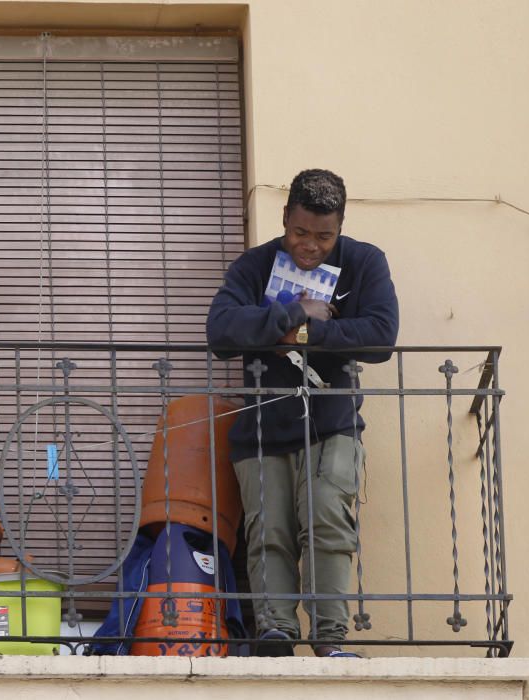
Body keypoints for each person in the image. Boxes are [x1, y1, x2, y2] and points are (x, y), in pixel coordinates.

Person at [205, 169, 399, 657]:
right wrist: (294, 312)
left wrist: (307, 337)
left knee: (327, 521)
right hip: (262, 429)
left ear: (340, 227)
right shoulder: (253, 266)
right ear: (284, 218)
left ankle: (330, 641)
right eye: (299, 233)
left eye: (323, 236)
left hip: (332, 421)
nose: (310, 245)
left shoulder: (364, 261)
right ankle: (275, 634)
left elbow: (381, 335)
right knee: (267, 532)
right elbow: (221, 331)